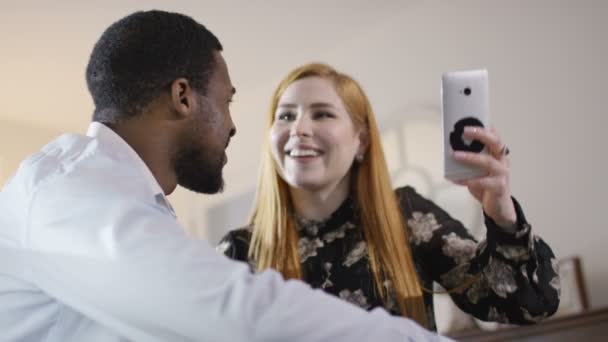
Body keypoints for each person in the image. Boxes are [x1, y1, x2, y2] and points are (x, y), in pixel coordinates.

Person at [0, 10, 451, 342]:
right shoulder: (70, 191)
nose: (234, 125)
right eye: (227, 100)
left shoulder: (126, 200)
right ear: (182, 97)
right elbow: (239, 314)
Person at [218, 63, 561, 330]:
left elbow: (527, 303)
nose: (299, 128)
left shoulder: (406, 216)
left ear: (361, 141)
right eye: (286, 115)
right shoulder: (238, 251)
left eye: (322, 113)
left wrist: (501, 213)